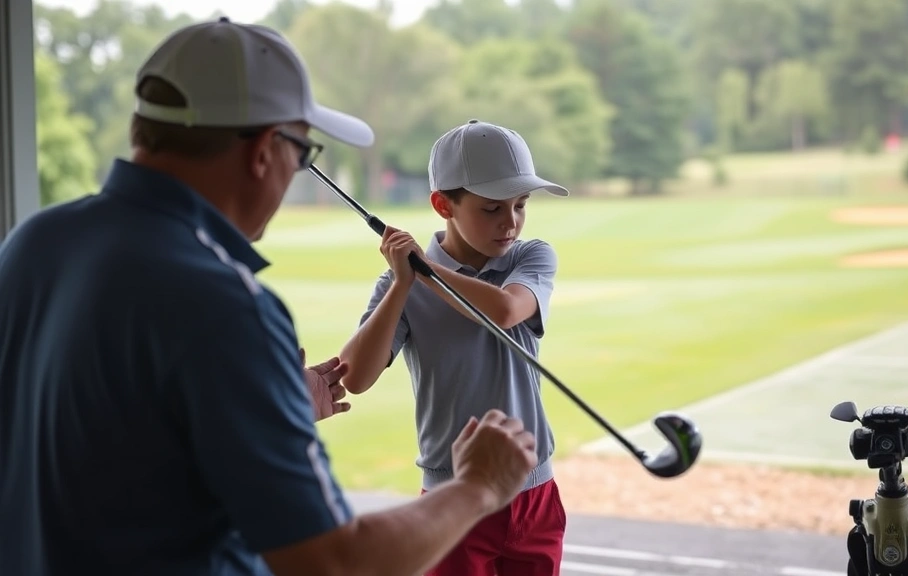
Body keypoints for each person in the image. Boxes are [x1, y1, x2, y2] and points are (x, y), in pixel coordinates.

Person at [0, 19, 538, 576]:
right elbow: (334, 562)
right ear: (263, 152)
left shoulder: (32, 246)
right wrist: (478, 485)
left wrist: (265, 410)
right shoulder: (226, 304)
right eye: (302, 150)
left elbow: (113, 442)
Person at [339, 119, 570, 575]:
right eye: (492, 209)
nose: (511, 223)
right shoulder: (399, 285)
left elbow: (504, 311)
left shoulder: (530, 256)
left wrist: (426, 270)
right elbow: (355, 377)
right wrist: (404, 284)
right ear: (443, 203)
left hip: (535, 495)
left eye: (521, 205)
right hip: (454, 501)